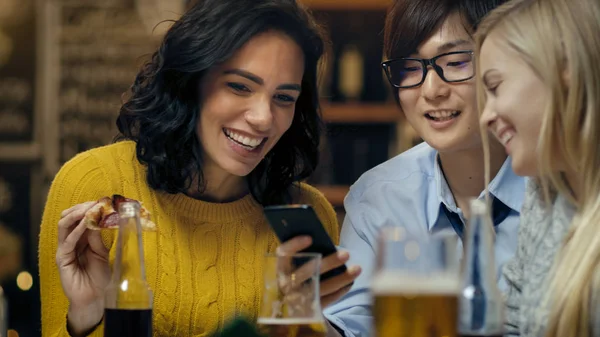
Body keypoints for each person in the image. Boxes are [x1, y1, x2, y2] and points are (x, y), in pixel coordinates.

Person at [38, 0, 360, 336]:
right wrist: (88, 314)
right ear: (191, 81)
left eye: (284, 98)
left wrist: (303, 321)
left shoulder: (307, 215)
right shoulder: (96, 185)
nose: (263, 118)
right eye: (239, 86)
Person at [322, 0, 526, 336]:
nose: (431, 90)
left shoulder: (564, 189)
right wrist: (306, 311)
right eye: (410, 67)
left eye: (457, 61)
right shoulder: (378, 196)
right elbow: (351, 328)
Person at [477, 0, 600, 335]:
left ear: (565, 68)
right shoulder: (547, 189)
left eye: (495, 86)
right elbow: (515, 322)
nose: (485, 117)